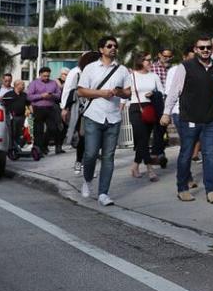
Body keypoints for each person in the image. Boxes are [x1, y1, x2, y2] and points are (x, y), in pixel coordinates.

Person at [162, 36, 213, 203]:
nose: (205, 50)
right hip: (189, 119)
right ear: (196, 49)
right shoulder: (185, 67)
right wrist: (166, 113)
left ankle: (211, 190)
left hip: (210, 120)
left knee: (210, 155)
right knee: (186, 154)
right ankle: (182, 188)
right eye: (201, 47)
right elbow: (174, 92)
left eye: (208, 48)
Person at [77, 36, 133, 207]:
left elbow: (129, 93)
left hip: (114, 117)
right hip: (94, 116)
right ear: (101, 49)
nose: (113, 48)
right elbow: (81, 91)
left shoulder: (122, 70)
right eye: (109, 46)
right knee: (91, 153)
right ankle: (87, 180)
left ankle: (103, 193)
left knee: (108, 157)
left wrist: (119, 92)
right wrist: (102, 93)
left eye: (115, 46)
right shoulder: (90, 68)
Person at [60, 51, 99, 175]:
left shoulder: (100, 74)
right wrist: (65, 108)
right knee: (83, 138)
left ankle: (89, 166)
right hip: (82, 111)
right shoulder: (77, 74)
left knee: (94, 140)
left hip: (97, 110)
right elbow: (71, 92)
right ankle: (78, 161)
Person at [128, 52, 164, 182]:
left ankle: (135, 166)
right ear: (140, 61)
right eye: (147, 60)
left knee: (144, 139)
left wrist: (153, 94)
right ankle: (150, 168)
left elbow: (162, 92)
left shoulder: (154, 76)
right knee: (142, 138)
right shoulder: (131, 76)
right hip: (135, 108)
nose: (150, 62)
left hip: (150, 108)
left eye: (150, 60)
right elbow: (127, 92)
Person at [166, 47, 197, 190]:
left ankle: (185, 175)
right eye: (190, 57)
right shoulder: (175, 71)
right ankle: (186, 178)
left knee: (189, 147)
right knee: (186, 146)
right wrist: (166, 113)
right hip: (179, 112)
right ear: (184, 57)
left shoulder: (199, 69)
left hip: (196, 113)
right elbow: (170, 93)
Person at [26, 66, 62, 156]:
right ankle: (38, 149)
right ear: (40, 75)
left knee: (53, 128)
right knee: (38, 130)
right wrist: (41, 96)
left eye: (48, 76)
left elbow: (59, 95)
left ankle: (44, 146)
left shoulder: (53, 83)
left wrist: (52, 95)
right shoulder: (34, 83)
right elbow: (29, 96)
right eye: (44, 76)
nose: (46, 78)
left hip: (50, 108)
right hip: (38, 108)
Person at [2, 80, 31, 159]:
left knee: (20, 133)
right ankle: (10, 149)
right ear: (17, 85)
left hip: (22, 117)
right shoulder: (9, 94)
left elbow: (29, 104)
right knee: (12, 133)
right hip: (11, 117)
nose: (24, 86)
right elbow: (3, 104)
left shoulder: (24, 95)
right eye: (22, 85)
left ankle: (17, 148)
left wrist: (32, 112)